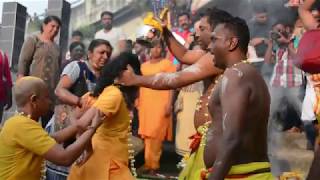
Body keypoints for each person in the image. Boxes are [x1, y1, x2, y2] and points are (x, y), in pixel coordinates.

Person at [117, 8, 232, 180]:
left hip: (217, 136)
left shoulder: (216, 58)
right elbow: (184, 54)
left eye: (202, 29)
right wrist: (165, 31)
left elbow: (176, 79)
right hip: (210, 135)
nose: (194, 34)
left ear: (217, 32)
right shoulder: (208, 54)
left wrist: (135, 80)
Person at [201, 16, 272, 180]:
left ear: (232, 43)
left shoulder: (236, 75)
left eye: (214, 40)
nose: (210, 47)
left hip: (243, 175)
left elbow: (232, 138)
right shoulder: (245, 73)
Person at [0, 76, 103, 180]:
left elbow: (52, 139)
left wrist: (78, 125)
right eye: (46, 97)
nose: (50, 102)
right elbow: (64, 158)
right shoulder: (22, 125)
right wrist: (92, 128)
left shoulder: (18, 122)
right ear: (33, 100)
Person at [68, 52, 141, 180]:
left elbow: (76, 120)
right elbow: (81, 123)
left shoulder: (113, 93)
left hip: (108, 158)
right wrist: (86, 147)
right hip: (104, 164)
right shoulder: (114, 94)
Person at [46, 39, 112, 180]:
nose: (105, 57)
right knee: (58, 169)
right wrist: (80, 102)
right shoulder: (77, 67)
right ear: (89, 54)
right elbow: (59, 90)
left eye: (108, 54)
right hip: (64, 124)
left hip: (84, 130)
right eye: (101, 52)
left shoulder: (106, 78)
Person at [136, 39, 176, 176]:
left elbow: (172, 85)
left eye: (158, 47)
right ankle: (148, 164)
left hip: (161, 103)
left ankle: (153, 165)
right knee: (147, 135)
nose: (155, 50)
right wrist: (137, 100)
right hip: (145, 103)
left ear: (163, 49)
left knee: (155, 134)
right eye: (153, 47)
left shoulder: (167, 64)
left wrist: (170, 104)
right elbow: (139, 84)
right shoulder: (143, 66)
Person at [18, 15, 62, 128]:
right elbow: (24, 61)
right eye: (52, 26)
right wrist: (21, 80)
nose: (55, 29)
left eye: (58, 27)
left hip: (49, 93)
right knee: (28, 121)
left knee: (47, 124)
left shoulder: (57, 48)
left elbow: (58, 69)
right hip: (33, 90)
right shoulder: (34, 40)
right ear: (44, 25)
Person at [0, 50, 12, 123]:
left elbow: (7, 79)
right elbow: (7, 79)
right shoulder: (2, 55)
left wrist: (9, 97)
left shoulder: (2, 56)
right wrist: (9, 98)